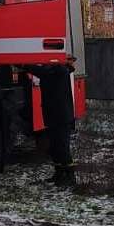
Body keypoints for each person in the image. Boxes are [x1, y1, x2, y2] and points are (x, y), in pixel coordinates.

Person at [36, 60, 77, 188]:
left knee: (62, 147)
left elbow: (40, 71)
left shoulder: (60, 70)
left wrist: (23, 64)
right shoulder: (54, 69)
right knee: (54, 147)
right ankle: (59, 174)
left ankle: (70, 177)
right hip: (53, 115)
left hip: (61, 116)